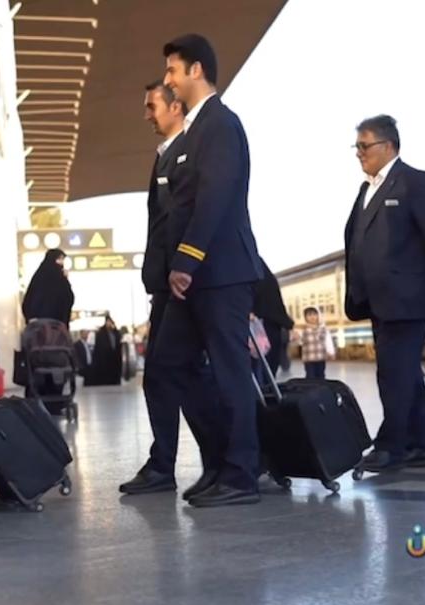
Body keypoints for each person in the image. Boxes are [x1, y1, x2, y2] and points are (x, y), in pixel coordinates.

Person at [143, 34, 263, 507]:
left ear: (196, 70)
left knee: (231, 372)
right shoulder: (195, 130)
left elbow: (214, 196)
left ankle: (242, 474)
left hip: (220, 273)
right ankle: (219, 462)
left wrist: (187, 259)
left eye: (173, 70)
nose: (168, 79)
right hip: (193, 276)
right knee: (171, 363)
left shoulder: (220, 124)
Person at [343, 114, 425, 474]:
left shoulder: (415, 181)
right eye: (356, 146)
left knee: (394, 375)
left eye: (365, 145)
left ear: (388, 145)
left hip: (408, 298)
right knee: (404, 374)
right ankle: (421, 447)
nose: (359, 153)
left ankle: (390, 446)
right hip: (378, 300)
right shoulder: (365, 189)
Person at [252, 259, 295, 378]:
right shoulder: (262, 270)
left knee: (260, 369)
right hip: (271, 322)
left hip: (258, 325)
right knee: (268, 369)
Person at [22, 249, 74, 326]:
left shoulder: (39, 276)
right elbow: (67, 297)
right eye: (59, 259)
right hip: (55, 322)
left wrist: (31, 317)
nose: (61, 262)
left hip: (39, 323)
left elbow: (29, 299)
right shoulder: (58, 277)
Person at [291, 307, 334, 379]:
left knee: (321, 375)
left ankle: (321, 385)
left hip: (321, 358)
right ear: (305, 317)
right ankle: (311, 385)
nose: (312, 317)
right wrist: (295, 337)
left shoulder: (323, 329)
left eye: (314, 314)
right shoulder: (303, 330)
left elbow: (328, 341)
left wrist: (331, 352)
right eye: (309, 315)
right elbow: (299, 341)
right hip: (309, 359)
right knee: (310, 376)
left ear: (318, 316)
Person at [89, 314, 123, 385]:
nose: (109, 324)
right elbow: (99, 347)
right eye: (108, 322)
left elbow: (118, 344)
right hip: (104, 359)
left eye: (110, 322)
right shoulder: (100, 333)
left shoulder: (115, 333)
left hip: (114, 358)